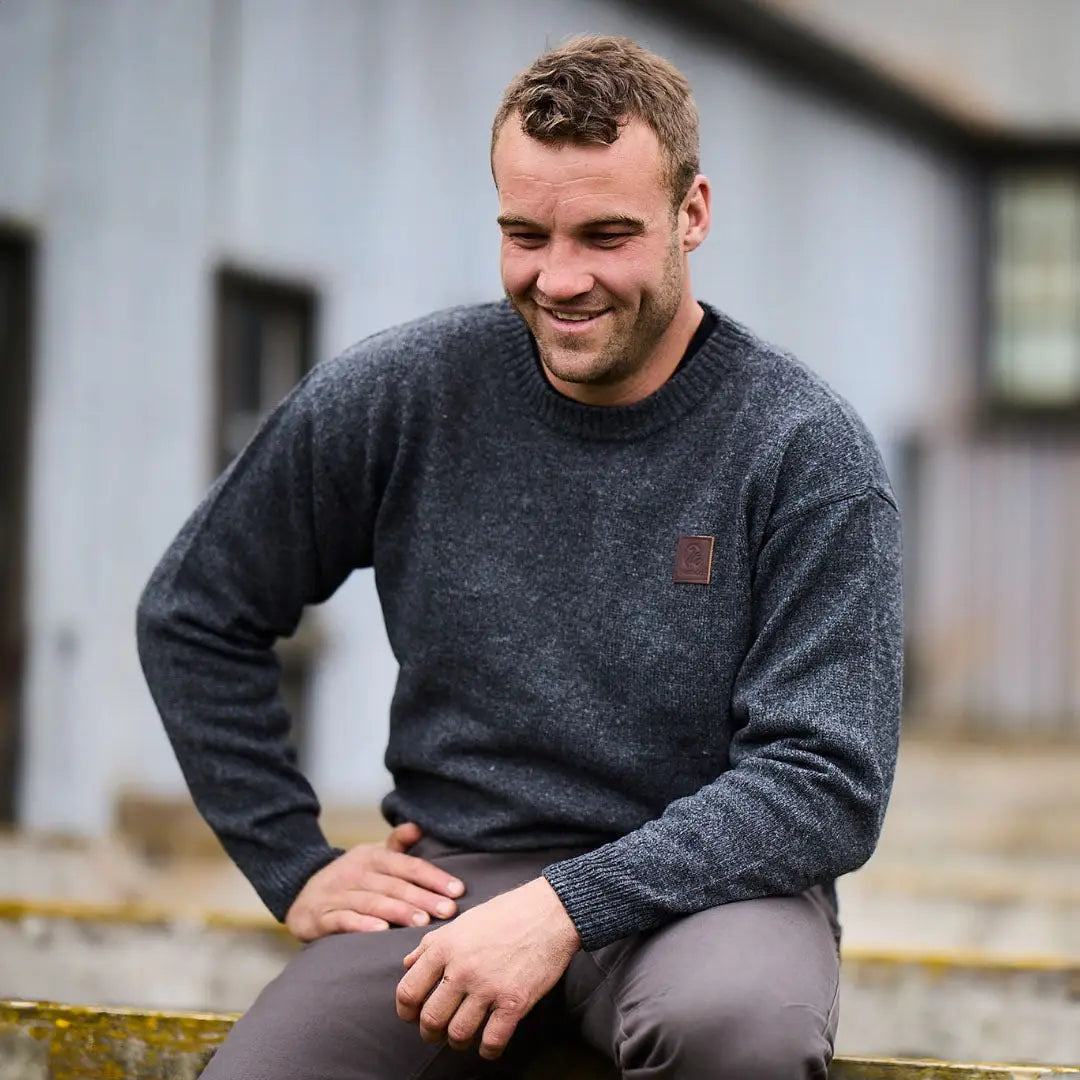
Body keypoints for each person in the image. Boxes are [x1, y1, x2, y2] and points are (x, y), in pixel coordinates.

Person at [137, 34, 902, 1080]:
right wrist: (292, 860)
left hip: (715, 899)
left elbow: (825, 781)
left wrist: (563, 909)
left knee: (738, 1034)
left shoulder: (802, 449)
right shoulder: (402, 395)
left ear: (693, 214)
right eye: (524, 235)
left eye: (606, 235)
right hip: (453, 884)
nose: (560, 278)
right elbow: (194, 611)